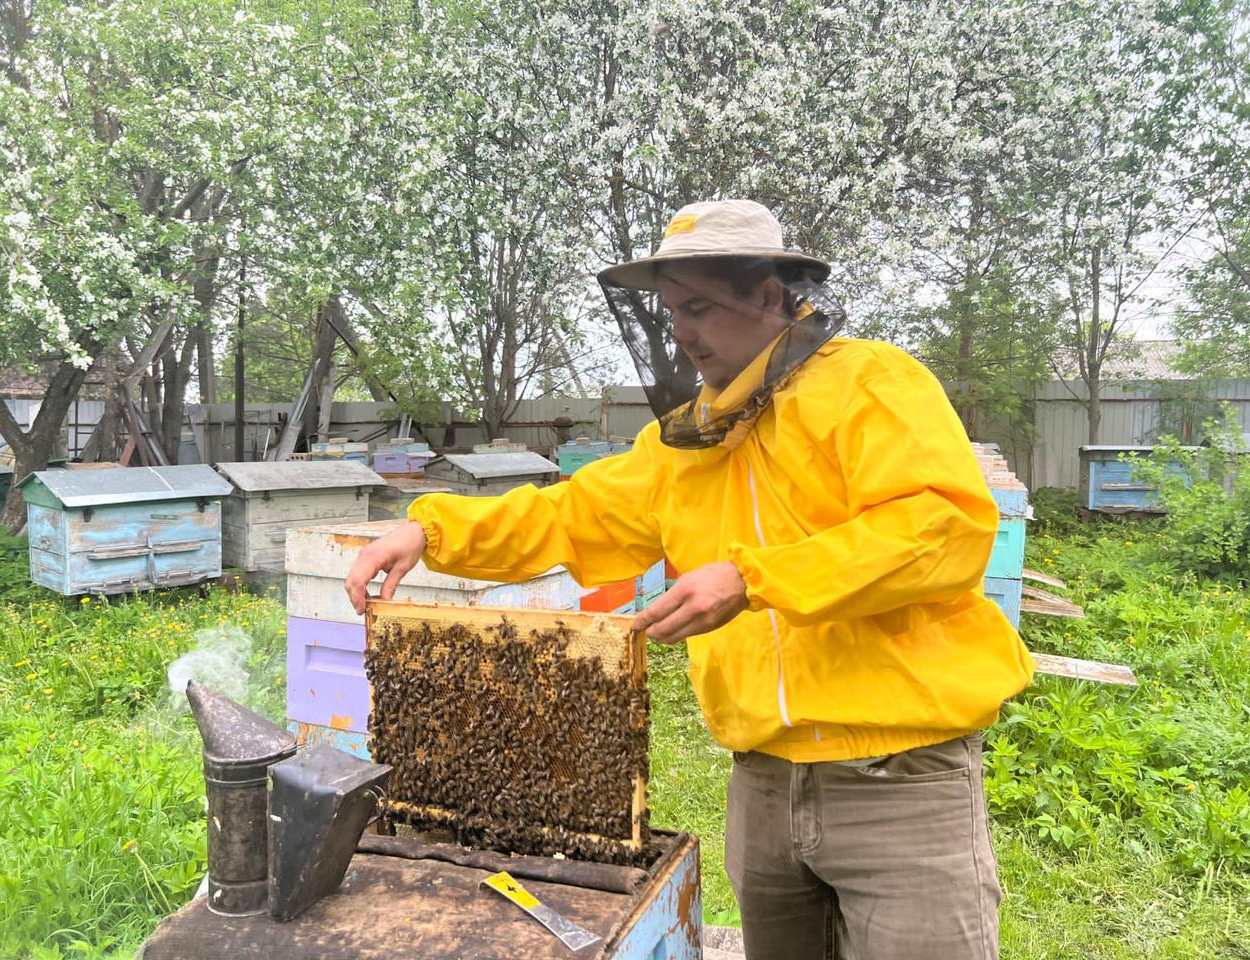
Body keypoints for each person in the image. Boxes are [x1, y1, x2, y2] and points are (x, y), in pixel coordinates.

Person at [345, 199, 1033, 960]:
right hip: (763, 785)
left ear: (769, 296)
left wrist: (752, 579)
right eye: (672, 310)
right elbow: (571, 516)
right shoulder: (683, 441)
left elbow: (940, 528)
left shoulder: (870, 384)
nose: (680, 332)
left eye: (699, 307)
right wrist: (430, 530)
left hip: (899, 780)